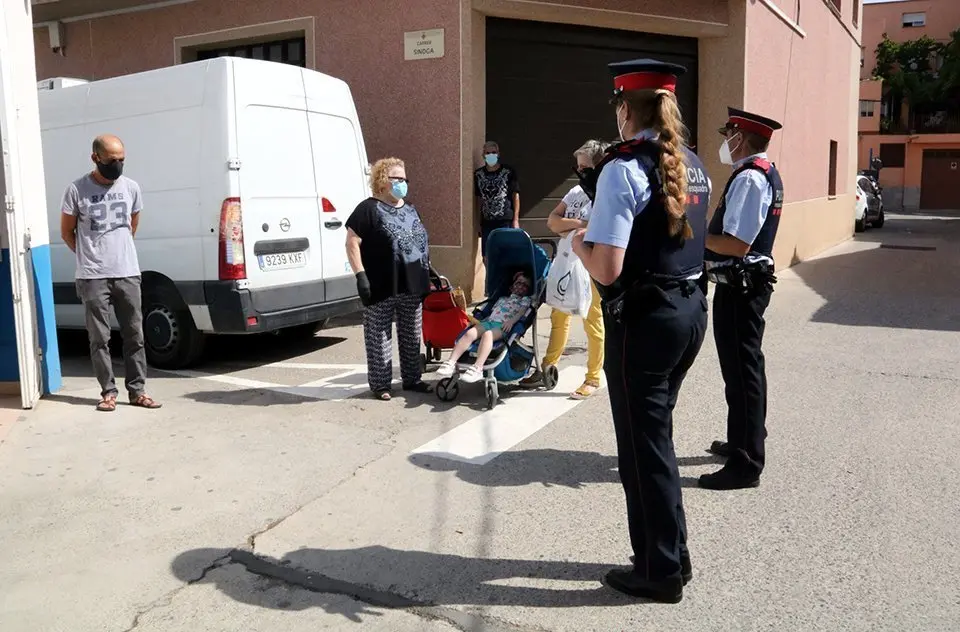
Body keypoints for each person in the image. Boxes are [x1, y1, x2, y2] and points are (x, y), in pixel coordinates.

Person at [570, 59, 711, 604]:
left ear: (626, 108)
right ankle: (674, 555)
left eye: (618, 108)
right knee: (657, 443)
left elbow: (606, 267)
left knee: (642, 449)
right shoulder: (691, 161)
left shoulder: (621, 167)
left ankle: (658, 571)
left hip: (646, 323)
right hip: (689, 311)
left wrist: (581, 243)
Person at [698, 108, 784, 491]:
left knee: (743, 371)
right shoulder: (756, 173)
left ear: (741, 138)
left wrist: (691, 238)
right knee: (740, 370)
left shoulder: (750, 178)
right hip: (741, 284)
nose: (724, 141)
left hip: (742, 285)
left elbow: (736, 244)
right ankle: (740, 441)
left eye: (728, 134)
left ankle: (747, 463)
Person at [60, 135, 161, 412]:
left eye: (121, 160)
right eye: (111, 160)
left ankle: (138, 391)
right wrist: (90, 255)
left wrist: (119, 253)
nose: (117, 165)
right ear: (95, 158)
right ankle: (108, 392)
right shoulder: (76, 190)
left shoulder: (131, 188)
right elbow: (67, 232)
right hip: (92, 275)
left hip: (127, 272)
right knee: (99, 338)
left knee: (135, 335)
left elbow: (132, 225)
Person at [520, 140, 609, 399]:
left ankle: (592, 377)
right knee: (559, 313)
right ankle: (548, 366)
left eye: (584, 166)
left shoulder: (603, 191)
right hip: (566, 261)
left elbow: (597, 226)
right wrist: (579, 223)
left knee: (592, 319)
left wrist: (568, 224)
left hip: (590, 262)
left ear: (597, 165)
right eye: (578, 166)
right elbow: (551, 221)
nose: (579, 171)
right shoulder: (575, 192)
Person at [345, 157, 433, 401]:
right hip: (381, 282)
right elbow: (352, 242)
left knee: (411, 332)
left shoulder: (410, 208)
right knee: (378, 334)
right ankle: (381, 384)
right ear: (383, 181)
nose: (403, 183)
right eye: (397, 178)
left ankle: (412, 378)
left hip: (412, 282)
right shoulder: (368, 209)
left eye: (405, 179)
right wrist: (360, 274)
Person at [435, 271, 532, 384]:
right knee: (470, 333)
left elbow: (521, 312)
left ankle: (478, 367)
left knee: (488, 335)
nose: (521, 286)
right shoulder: (502, 299)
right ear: (512, 286)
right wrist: (477, 321)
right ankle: (450, 362)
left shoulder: (525, 300)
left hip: (503, 326)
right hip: (489, 322)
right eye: (519, 282)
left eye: (525, 284)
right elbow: (490, 312)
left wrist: (511, 322)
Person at [474, 141, 520, 262]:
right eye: (488, 153)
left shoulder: (508, 172)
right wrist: (477, 222)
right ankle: (490, 280)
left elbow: (516, 196)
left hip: (505, 221)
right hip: (487, 222)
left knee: (506, 255)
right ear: (483, 155)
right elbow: (478, 199)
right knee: (487, 257)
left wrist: (515, 220)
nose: (491, 155)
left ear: (498, 154)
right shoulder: (478, 174)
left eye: (493, 152)